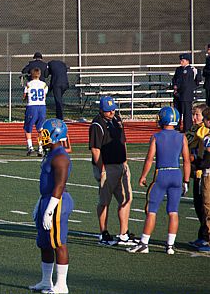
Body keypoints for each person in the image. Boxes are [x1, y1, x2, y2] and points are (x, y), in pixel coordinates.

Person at [128, 107, 190, 254]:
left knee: (152, 210)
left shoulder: (157, 136)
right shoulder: (182, 137)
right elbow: (187, 161)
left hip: (161, 174)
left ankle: (144, 243)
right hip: (176, 174)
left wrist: (143, 176)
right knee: (173, 211)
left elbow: (150, 159)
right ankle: (170, 245)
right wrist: (186, 181)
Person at [29, 118, 73, 294]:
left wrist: (49, 209)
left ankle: (61, 284)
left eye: (45, 134)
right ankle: (46, 281)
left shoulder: (61, 156)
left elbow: (59, 185)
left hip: (57, 200)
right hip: (47, 199)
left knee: (58, 243)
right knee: (44, 243)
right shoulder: (51, 153)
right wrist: (40, 204)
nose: (42, 137)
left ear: (55, 135)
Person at [89, 96, 135, 245]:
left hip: (120, 165)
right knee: (104, 201)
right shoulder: (97, 124)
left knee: (125, 199)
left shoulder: (117, 120)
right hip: (107, 166)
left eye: (113, 109)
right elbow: (96, 150)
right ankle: (104, 233)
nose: (112, 112)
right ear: (101, 110)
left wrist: (125, 161)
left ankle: (124, 233)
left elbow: (123, 142)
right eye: (108, 111)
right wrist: (102, 169)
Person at [186, 104, 209, 249]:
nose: (194, 118)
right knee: (199, 204)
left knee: (204, 205)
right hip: (197, 170)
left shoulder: (203, 130)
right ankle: (202, 235)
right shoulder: (195, 128)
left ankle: (205, 236)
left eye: (197, 115)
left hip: (203, 170)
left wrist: (193, 158)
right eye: (193, 115)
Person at [172, 52, 201, 133]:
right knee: (177, 111)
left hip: (186, 94)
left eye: (183, 60)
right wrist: (175, 86)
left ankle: (187, 128)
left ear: (187, 61)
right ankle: (176, 127)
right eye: (181, 60)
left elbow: (197, 80)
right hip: (178, 94)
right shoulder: (178, 69)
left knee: (187, 113)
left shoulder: (192, 69)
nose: (181, 62)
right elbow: (174, 79)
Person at [23, 67, 48, 157]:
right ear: (39, 75)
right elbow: (44, 95)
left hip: (32, 107)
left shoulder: (29, 84)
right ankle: (40, 148)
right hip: (42, 107)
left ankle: (30, 147)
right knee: (40, 129)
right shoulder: (44, 84)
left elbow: (24, 96)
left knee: (28, 128)